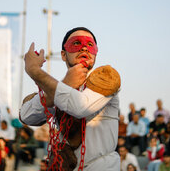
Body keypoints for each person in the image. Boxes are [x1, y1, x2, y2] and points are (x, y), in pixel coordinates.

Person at [20, 27, 121, 170]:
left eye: (90, 45)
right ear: (63, 54)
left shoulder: (107, 76)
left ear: (95, 54)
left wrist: (35, 72)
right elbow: (26, 116)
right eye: (76, 43)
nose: (85, 48)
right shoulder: (59, 87)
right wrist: (65, 84)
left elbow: (80, 107)